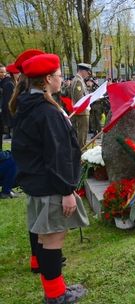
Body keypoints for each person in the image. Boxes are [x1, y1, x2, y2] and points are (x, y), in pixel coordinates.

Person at [10, 52, 89, 303]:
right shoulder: (46, 112)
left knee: (45, 240)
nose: (61, 79)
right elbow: (57, 156)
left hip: (38, 184)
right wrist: (67, 191)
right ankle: (55, 295)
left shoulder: (28, 104)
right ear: (46, 79)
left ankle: (57, 289)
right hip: (51, 186)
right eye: (57, 75)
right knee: (53, 238)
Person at [69, 63, 92, 148]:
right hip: (81, 112)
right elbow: (79, 98)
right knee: (82, 135)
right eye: (87, 72)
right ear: (82, 71)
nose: (87, 74)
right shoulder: (78, 81)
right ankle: (81, 152)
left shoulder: (78, 80)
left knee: (82, 134)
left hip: (82, 111)